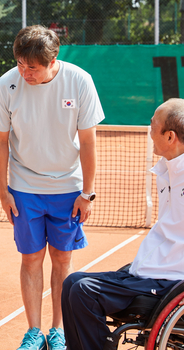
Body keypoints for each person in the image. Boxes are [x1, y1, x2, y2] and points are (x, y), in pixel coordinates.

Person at [0, 25, 105, 350]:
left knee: (62, 260)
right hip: (24, 188)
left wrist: (87, 193)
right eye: (20, 64)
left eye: (32, 67)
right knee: (31, 259)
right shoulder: (7, 84)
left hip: (69, 189)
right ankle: (34, 332)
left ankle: (58, 330)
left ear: (53, 61)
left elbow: (88, 142)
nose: (24, 72)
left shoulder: (79, 81)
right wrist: (3, 191)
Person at [62, 98, 184, 350]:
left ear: (170, 136)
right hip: (151, 271)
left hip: (168, 280)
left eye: (153, 124)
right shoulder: (169, 169)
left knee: (84, 291)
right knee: (71, 283)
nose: (149, 129)